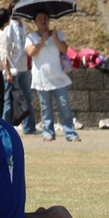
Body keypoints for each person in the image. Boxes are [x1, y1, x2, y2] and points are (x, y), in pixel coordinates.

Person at [25, 11, 79, 142]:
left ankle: (70, 133)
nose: (43, 21)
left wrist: (54, 37)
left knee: (64, 105)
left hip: (58, 76)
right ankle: (48, 132)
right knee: (46, 107)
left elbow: (64, 50)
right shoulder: (31, 37)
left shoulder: (57, 34)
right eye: (40, 19)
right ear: (35, 22)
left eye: (45, 19)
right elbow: (31, 52)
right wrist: (43, 40)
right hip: (42, 77)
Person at [1, 8, 37, 134]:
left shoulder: (24, 25)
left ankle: (30, 127)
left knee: (28, 97)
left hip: (23, 67)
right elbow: (5, 50)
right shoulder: (9, 27)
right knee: (8, 99)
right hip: (12, 68)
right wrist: (7, 71)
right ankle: (5, 127)